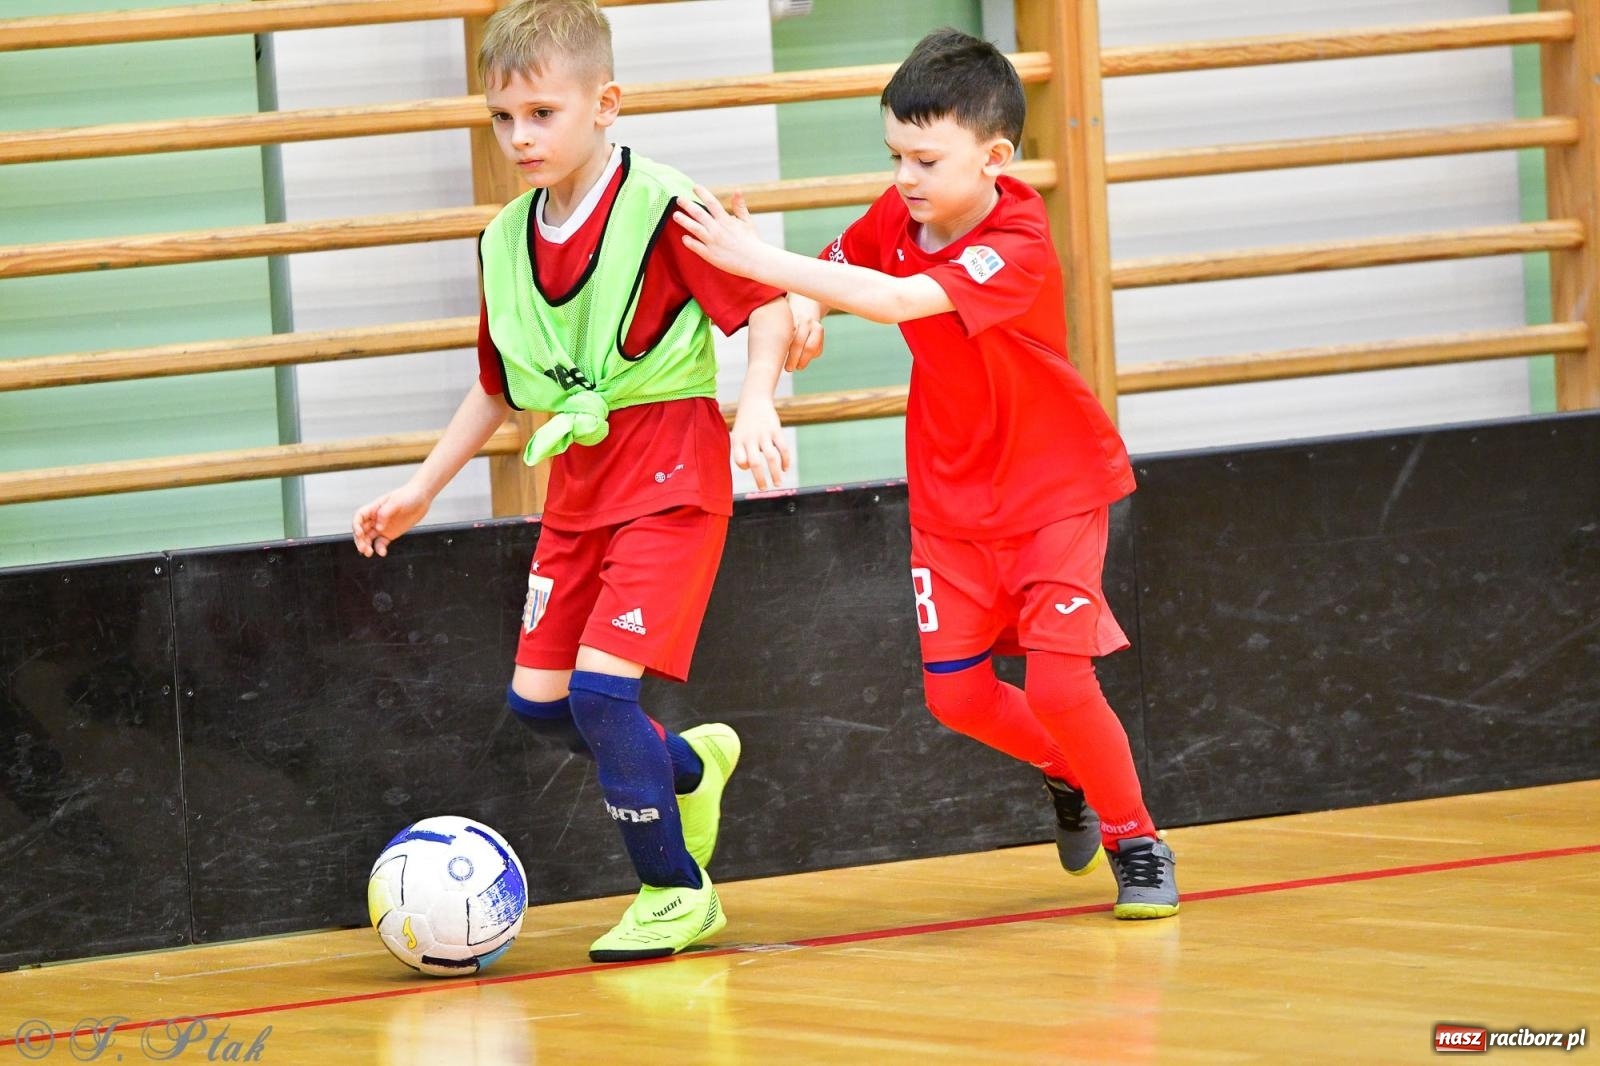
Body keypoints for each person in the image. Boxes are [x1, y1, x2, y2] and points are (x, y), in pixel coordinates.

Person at [672, 27, 1178, 919]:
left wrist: (762, 264)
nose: (905, 177)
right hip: (950, 501)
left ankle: (1135, 839)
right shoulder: (895, 216)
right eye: (894, 154)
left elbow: (902, 297)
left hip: (1054, 487)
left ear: (994, 158)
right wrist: (792, 313)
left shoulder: (1018, 235)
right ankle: (1067, 767)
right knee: (958, 699)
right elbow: (826, 280)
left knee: (1061, 684)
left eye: (925, 159)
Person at [352, 0, 795, 958]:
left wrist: (756, 398)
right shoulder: (505, 239)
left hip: (672, 469)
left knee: (601, 698)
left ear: (606, 104)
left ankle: (678, 892)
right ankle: (690, 767)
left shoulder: (666, 205)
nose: (520, 137)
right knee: (540, 705)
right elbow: (499, 387)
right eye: (503, 118)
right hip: (579, 484)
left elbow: (763, 303)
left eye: (542, 114)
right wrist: (424, 486)